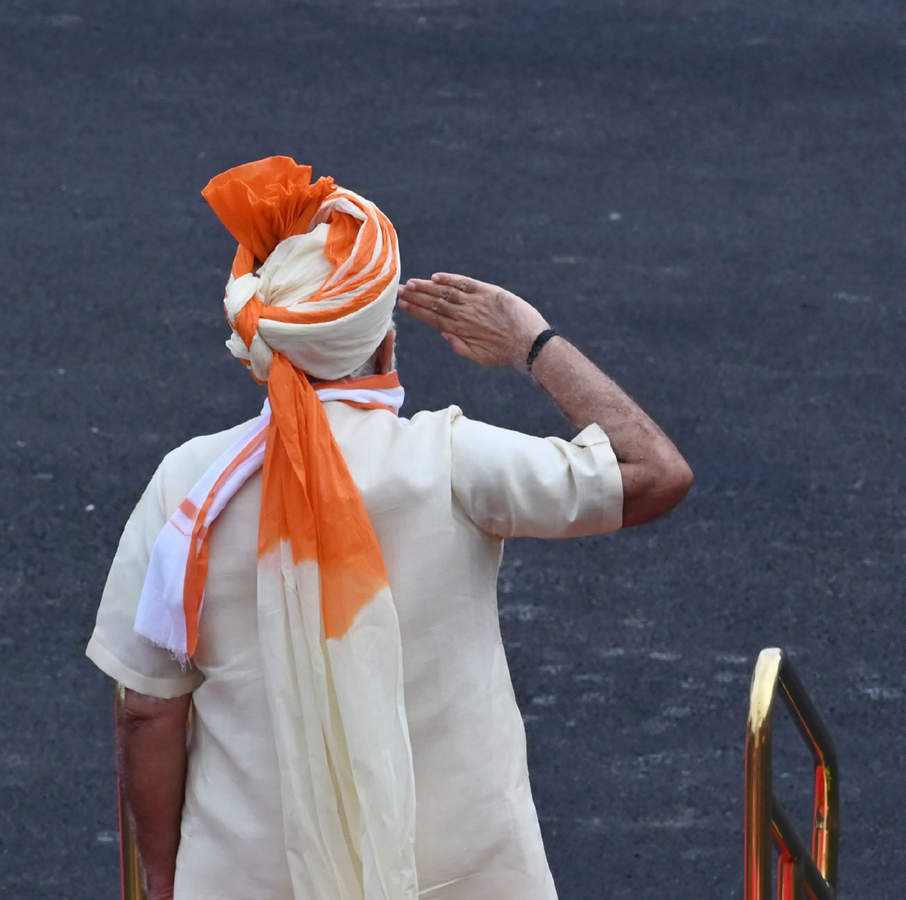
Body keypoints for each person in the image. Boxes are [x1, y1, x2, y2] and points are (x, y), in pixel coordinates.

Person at [86, 156, 692, 900]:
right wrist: (532, 344)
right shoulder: (448, 460)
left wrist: (164, 877)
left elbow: (148, 712)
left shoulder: (189, 488)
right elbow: (656, 472)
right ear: (383, 341)